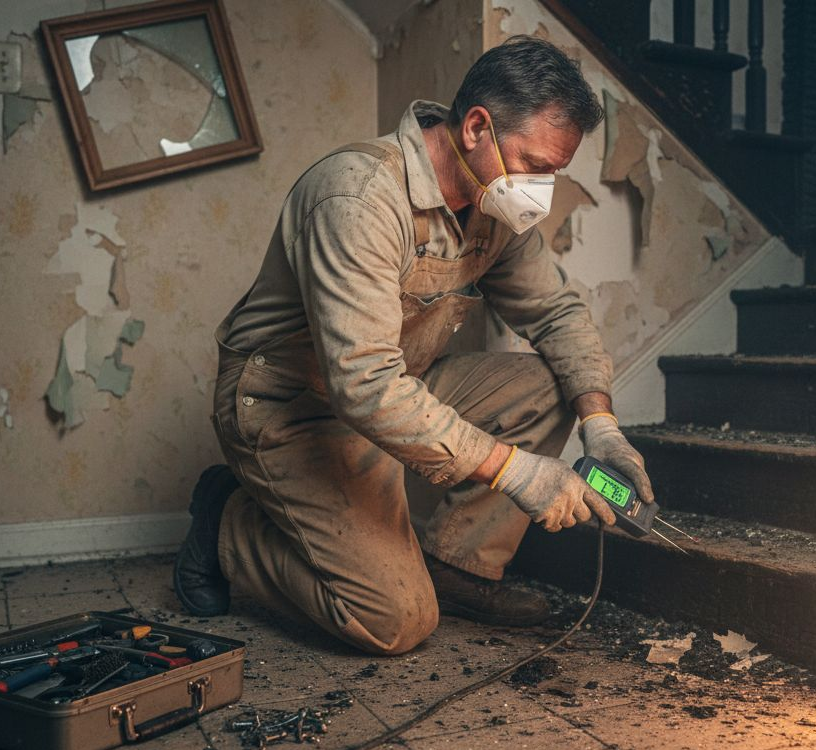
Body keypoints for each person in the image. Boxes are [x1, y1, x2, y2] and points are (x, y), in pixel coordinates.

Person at [174, 36, 653, 655]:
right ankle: (226, 523)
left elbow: (556, 313)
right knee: (393, 622)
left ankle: (458, 567)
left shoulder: (493, 202)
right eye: (535, 165)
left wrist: (601, 425)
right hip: (291, 407)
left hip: (397, 385)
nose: (540, 189)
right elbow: (364, 384)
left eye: (554, 173)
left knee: (552, 385)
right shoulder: (358, 196)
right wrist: (516, 471)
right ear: (476, 128)